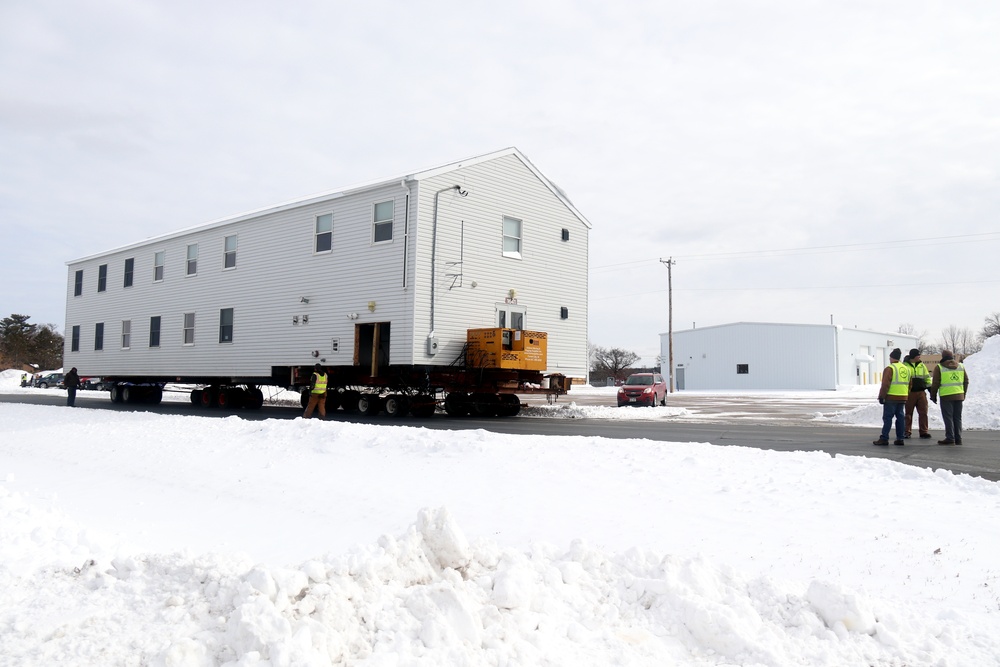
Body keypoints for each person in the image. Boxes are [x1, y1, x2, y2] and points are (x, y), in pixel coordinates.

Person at [929, 350, 969, 445]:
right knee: (957, 417)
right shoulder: (961, 366)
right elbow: (966, 381)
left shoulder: (939, 367)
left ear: (942, 357)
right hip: (959, 395)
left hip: (946, 396)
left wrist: (933, 395)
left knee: (948, 417)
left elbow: (935, 383)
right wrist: (964, 393)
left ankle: (950, 437)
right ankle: (958, 438)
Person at [874, 348, 910, 446]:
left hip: (891, 397)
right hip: (903, 397)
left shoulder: (890, 368)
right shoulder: (906, 369)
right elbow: (910, 384)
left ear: (891, 358)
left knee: (888, 418)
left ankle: (884, 438)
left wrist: (882, 396)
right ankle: (900, 438)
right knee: (900, 418)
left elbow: (885, 384)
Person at [903, 348, 932, 440]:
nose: (919, 357)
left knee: (923, 413)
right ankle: (907, 431)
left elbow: (927, 377)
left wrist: (930, 388)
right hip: (910, 393)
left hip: (921, 393)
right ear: (913, 356)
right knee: (908, 413)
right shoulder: (905, 366)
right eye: (918, 355)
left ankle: (924, 432)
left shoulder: (922, 366)